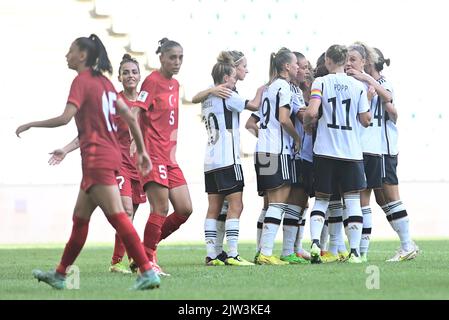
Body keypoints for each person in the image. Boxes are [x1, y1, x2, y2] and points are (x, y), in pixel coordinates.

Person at [15, 34, 160, 290]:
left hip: (97, 160)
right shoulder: (104, 83)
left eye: (70, 51)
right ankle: (60, 275)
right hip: (103, 158)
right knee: (80, 219)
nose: (67, 55)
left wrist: (31, 123)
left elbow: (65, 118)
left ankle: (147, 271)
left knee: (119, 216)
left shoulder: (81, 81)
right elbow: (128, 115)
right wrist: (143, 154)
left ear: (82, 55)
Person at [48, 54, 147, 274]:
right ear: (119, 77)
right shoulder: (112, 100)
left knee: (127, 214)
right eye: (126, 72)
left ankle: (131, 261)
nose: (130, 76)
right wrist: (65, 148)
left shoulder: (145, 102)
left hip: (139, 165)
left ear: (140, 76)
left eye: (134, 72)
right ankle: (130, 264)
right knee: (125, 211)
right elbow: (91, 131)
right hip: (116, 162)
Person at [192, 50, 264, 263]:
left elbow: (197, 97)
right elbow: (255, 106)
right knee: (236, 205)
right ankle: (233, 253)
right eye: (233, 76)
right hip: (228, 158)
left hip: (210, 160)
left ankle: (211, 254)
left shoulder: (207, 98)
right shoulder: (228, 94)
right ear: (226, 78)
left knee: (213, 208)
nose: (235, 79)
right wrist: (263, 88)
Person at [304, 44, 371, 264]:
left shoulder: (320, 82)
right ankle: (354, 252)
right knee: (352, 201)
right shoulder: (358, 86)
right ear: (344, 61)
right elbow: (366, 119)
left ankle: (315, 244)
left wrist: (307, 122)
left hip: (325, 151)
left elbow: (312, 112)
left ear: (328, 61)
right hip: (351, 152)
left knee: (322, 201)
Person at [133, 38, 193, 275]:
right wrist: (137, 145)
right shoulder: (152, 81)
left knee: (185, 209)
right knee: (160, 208)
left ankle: (144, 250)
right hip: (153, 155)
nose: (177, 62)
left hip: (170, 158)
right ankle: (146, 263)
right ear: (162, 58)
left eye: (180, 57)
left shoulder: (175, 84)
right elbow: (136, 111)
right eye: (172, 57)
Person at [369, 48, 419, 261]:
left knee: (390, 196)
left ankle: (407, 244)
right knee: (382, 199)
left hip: (384, 149)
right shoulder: (371, 85)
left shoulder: (384, 84)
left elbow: (392, 109)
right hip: (377, 149)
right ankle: (407, 243)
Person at [254, 48, 300, 265]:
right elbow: (283, 118)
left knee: (269, 204)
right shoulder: (283, 86)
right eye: (295, 64)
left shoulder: (269, 87)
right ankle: (266, 253)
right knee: (278, 203)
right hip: (277, 151)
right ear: (286, 67)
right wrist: (297, 137)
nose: (298, 67)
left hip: (262, 150)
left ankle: (261, 250)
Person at [280, 51, 310, 264]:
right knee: (295, 201)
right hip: (295, 153)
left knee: (302, 203)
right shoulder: (289, 89)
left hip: (304, 153)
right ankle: (287, 250)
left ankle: (296, 248)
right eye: (302, 66)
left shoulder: (297, 89)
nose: (305, 71)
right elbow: (302, 116)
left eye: (307, 67)